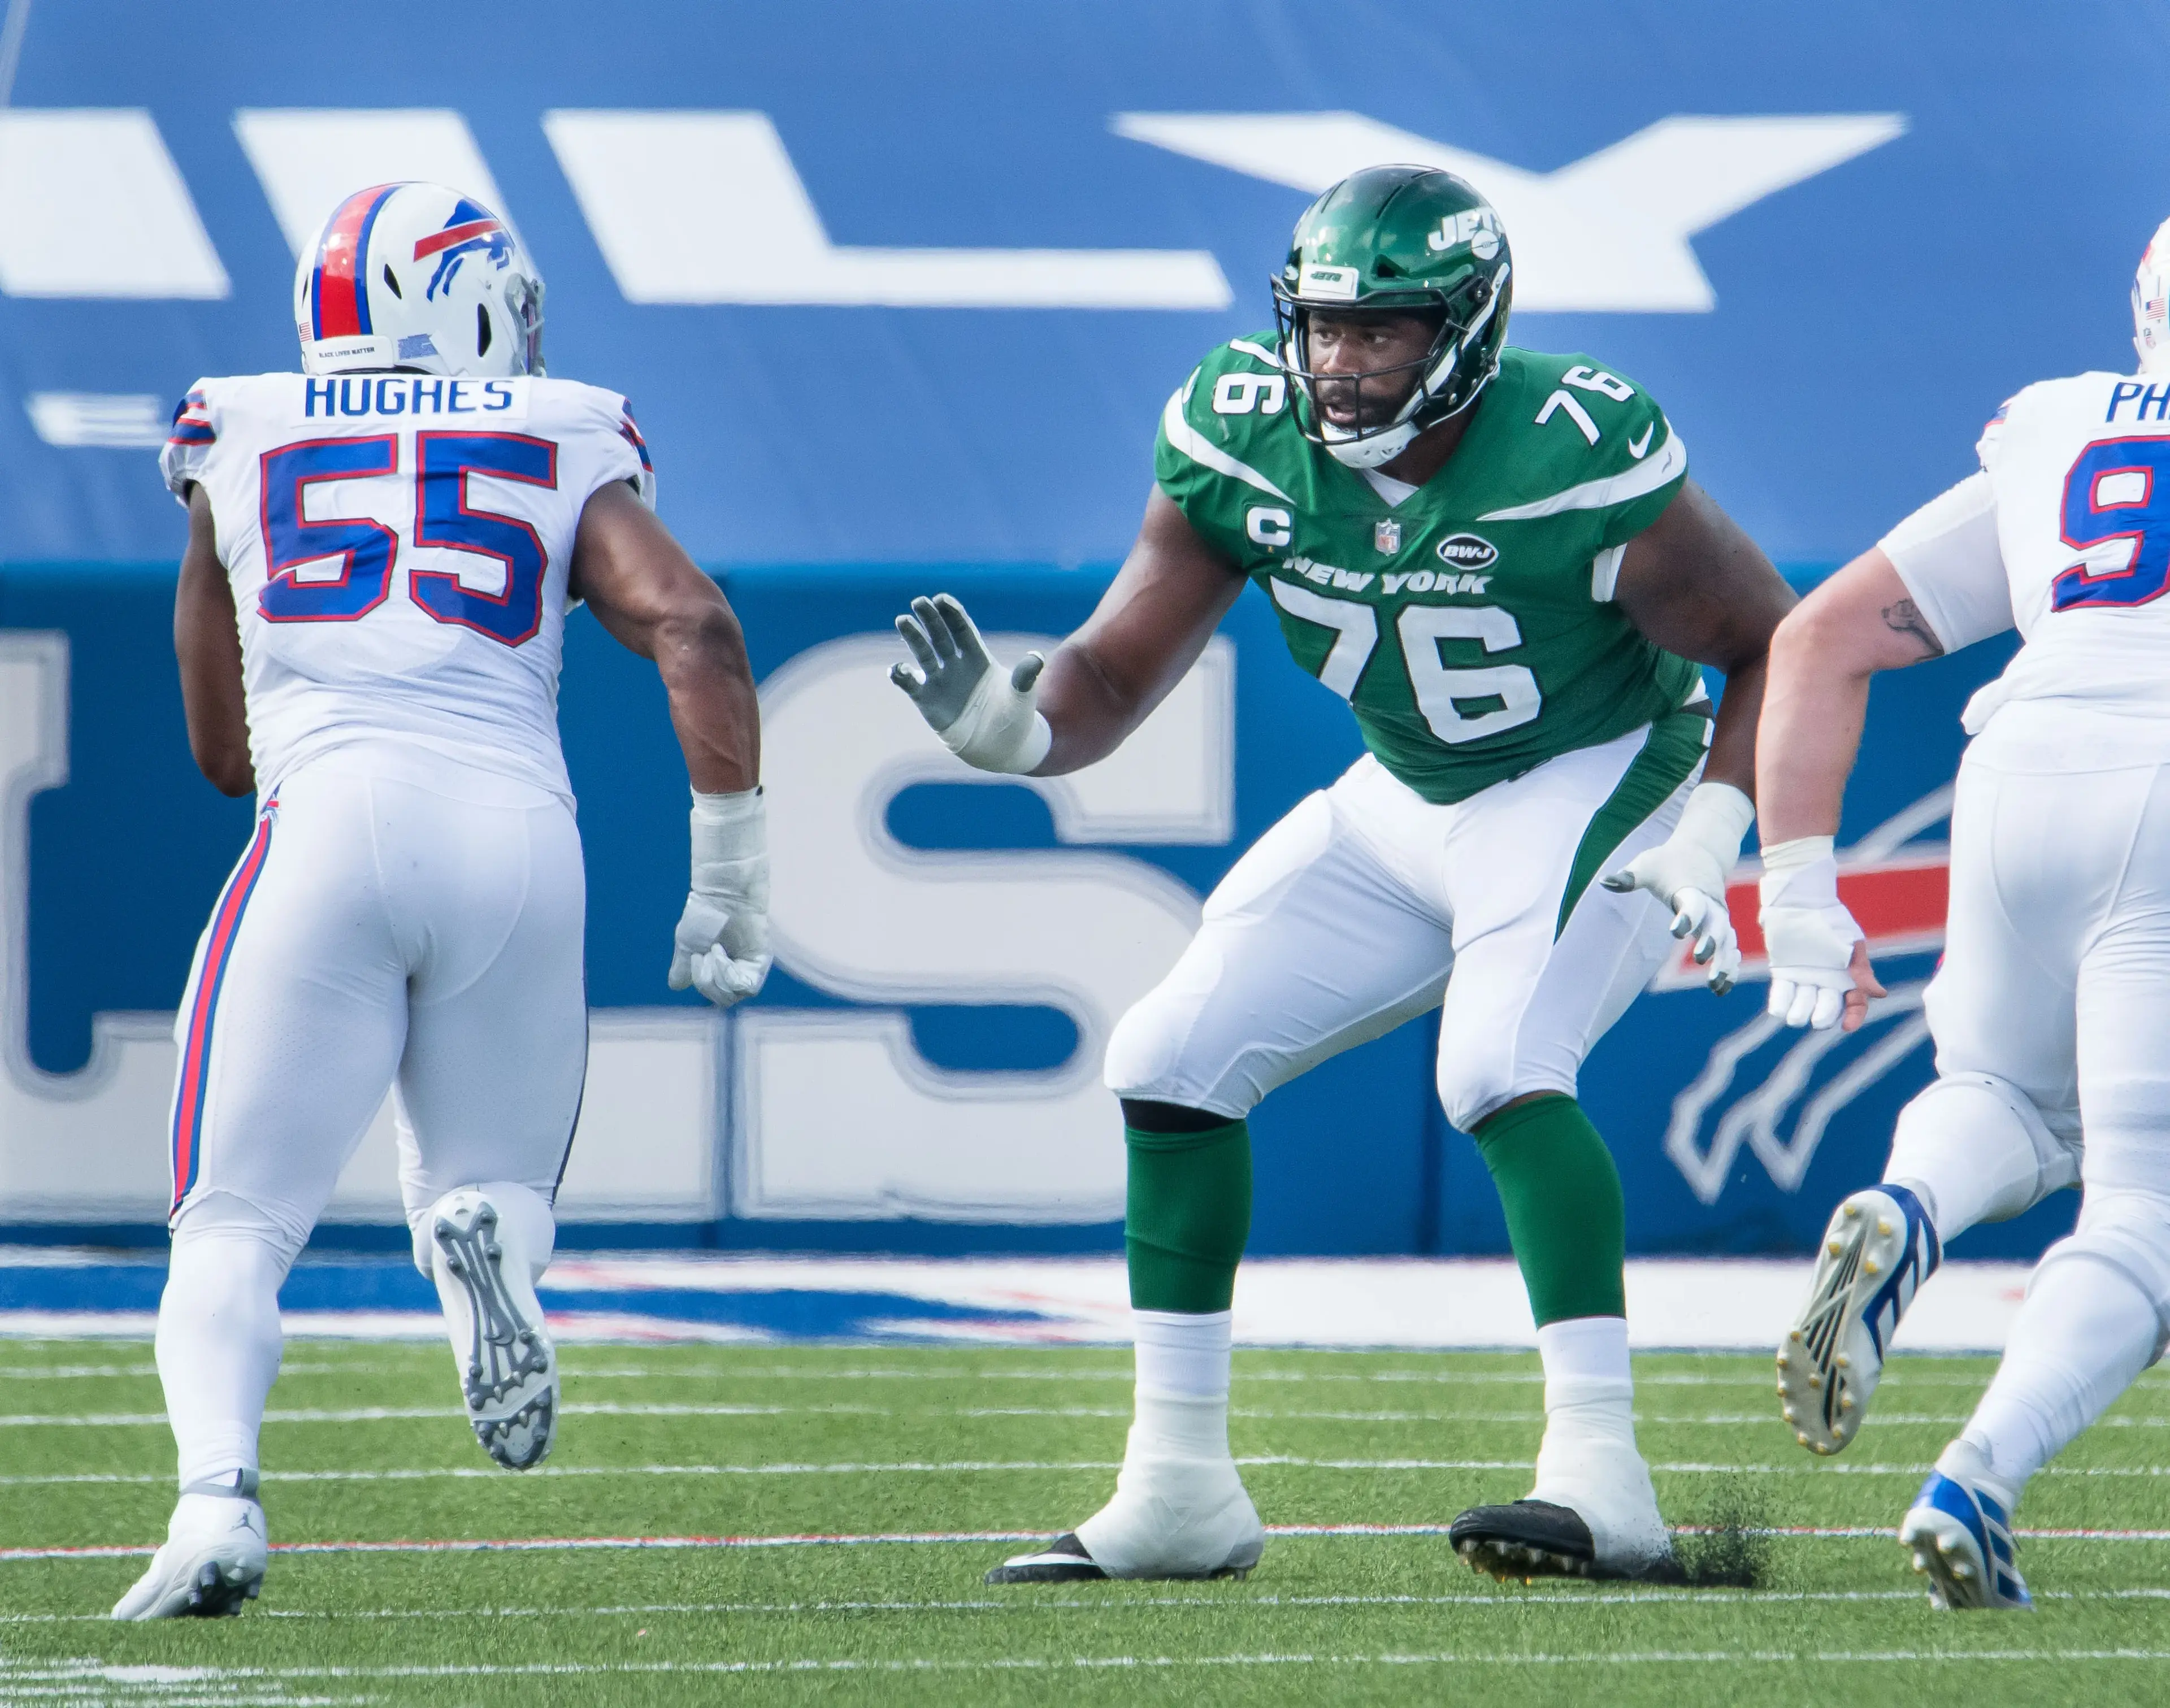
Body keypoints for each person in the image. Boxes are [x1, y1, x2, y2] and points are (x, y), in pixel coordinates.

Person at [890, 166, 1794, 1585]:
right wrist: (1018, 731)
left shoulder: (1571, 444)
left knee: (1498, 1061)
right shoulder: (1242, 430)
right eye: (1321, 326)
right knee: (1170, 1055)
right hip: (1410, 791)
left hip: (1596, 767)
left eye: (1384, 331)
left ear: (1471, 329)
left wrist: (1717, 832)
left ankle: (1603, 1476)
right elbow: (1116, 666)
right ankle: (1179, 1488)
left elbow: (1772, 642)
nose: (1342, 361)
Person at [113, 181, 769, 1620]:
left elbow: (223, 755)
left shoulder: (238, 423)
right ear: (472, 301)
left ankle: (215, 1496)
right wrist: (729, 863)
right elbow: (695, 623)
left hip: (327, 821)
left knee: (231, 1222)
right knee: (495, 1186)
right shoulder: (566, 427)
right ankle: (491, 1253)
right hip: (519, 833)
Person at [1761, 218, 2170, 1610]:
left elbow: (1820, 634)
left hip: (2023, 762)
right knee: (2151, 1215)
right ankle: (1977, 1477)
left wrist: (1797, 883)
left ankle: (1906, 1205)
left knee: (2002, 1092)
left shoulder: (2059, 421)